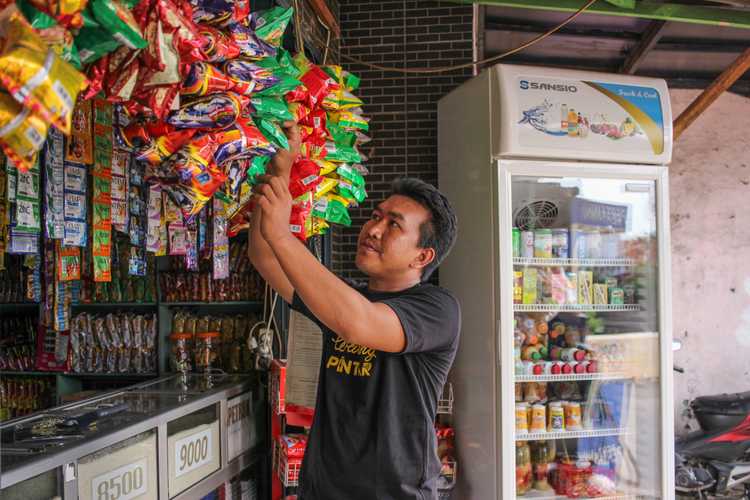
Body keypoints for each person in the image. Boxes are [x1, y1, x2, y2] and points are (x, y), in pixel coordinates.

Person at [248, 121, 461, 500]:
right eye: (377, 216)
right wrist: (279, 173)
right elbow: (264, 257)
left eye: (394, 225)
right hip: (321, 490)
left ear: (422, 256)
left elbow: (356, 324)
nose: (374, 229)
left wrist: (282, 232)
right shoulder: (343, 298)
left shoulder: (437, 309)